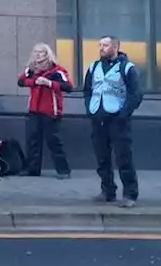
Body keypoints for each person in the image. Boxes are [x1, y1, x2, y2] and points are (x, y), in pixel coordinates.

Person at [82, 36, 143, 208]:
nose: (101, 48)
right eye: (100, 45)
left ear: (115, 47)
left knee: (123, 157)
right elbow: (87, 90)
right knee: (102, 158)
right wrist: (89, 108)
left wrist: (123, 113)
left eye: (105, 45)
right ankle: (107, 191)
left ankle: (130, 194)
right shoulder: (93, 67)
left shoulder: (127, 68)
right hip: (98, 117)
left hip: (118, 120)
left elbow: (136, 94)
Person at [17, 43, 72, 179]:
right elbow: (21, 82)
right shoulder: (31, 70)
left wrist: (49, 84)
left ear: (47, 55)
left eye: (41, 53)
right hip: (34, 110)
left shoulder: (57, 71)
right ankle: (32, 169)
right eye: (36, 53)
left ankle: (63, 170)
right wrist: (34, 81)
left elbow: (68, 86)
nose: (38, 56)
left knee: (53, 141)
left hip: (51, 111)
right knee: (32, 141)